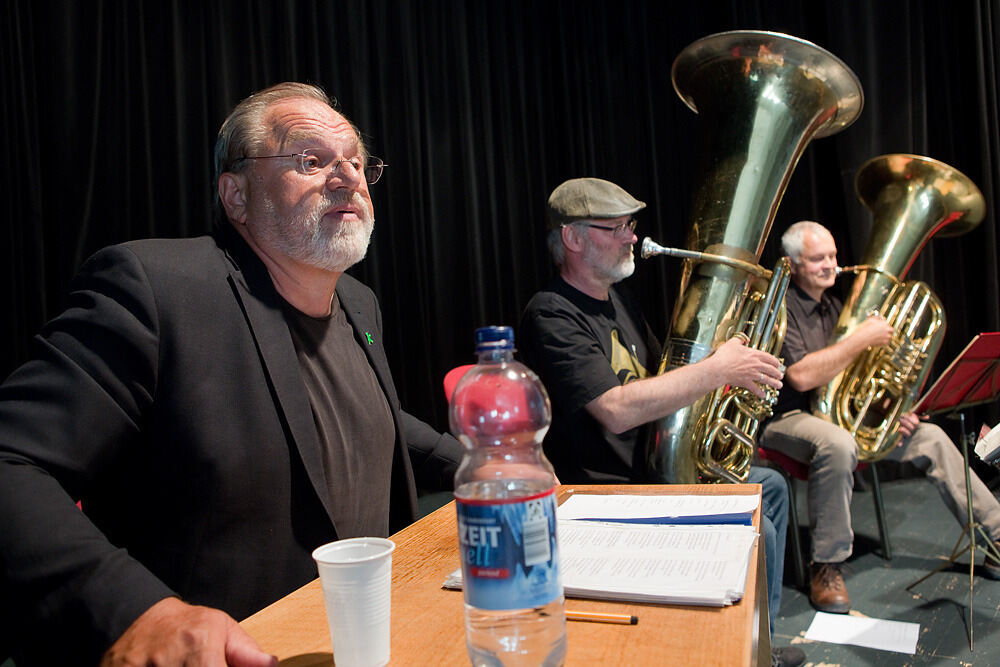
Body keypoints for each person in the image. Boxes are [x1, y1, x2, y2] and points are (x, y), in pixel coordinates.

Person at [0, 82, 462, 666]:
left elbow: (363, 411)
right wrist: (136, 612)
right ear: (236, 196)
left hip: (368, 638)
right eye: (311, 160)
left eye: (357, 163)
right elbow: (12, 461)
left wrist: (473, 463)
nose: (346, 178)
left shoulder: (358, 302)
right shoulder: (155, 286)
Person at [518, 177, 805, 667]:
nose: (632, 236)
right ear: (573, 237)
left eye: (631, 225)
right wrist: (716, 369)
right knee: (762, 526)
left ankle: (756, 643)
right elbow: (615, 408)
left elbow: (661, 377)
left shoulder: (619, 300)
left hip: (649, 468)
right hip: (606, 490)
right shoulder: (552, 313)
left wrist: (722, 363)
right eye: (616, 227)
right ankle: (744, 655)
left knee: (772, 486)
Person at [761, 220, 1000, 614]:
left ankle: (994, 538)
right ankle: (826, 564)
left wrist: (890, 412)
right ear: (792, 264)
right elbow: (801, 376)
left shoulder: (836, 308)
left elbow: (859, 379)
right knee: (837, 443)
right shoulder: (780, 307)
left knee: (933, 438)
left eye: (834, 256)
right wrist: (861, 338)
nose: (831, 265)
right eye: (818, 258)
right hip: (786, 418)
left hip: (837, 417)